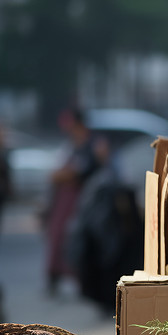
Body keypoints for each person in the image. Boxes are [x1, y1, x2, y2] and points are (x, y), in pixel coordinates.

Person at [44, 107, 106, 295]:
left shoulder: (95, 144)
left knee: (80, 239)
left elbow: (89, 170)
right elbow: (57, 174)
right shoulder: (71, 146)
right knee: (58, 236)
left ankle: (82, 279)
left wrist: (67, 175)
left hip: (87, 199)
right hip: (66, 199)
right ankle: (55, 277)